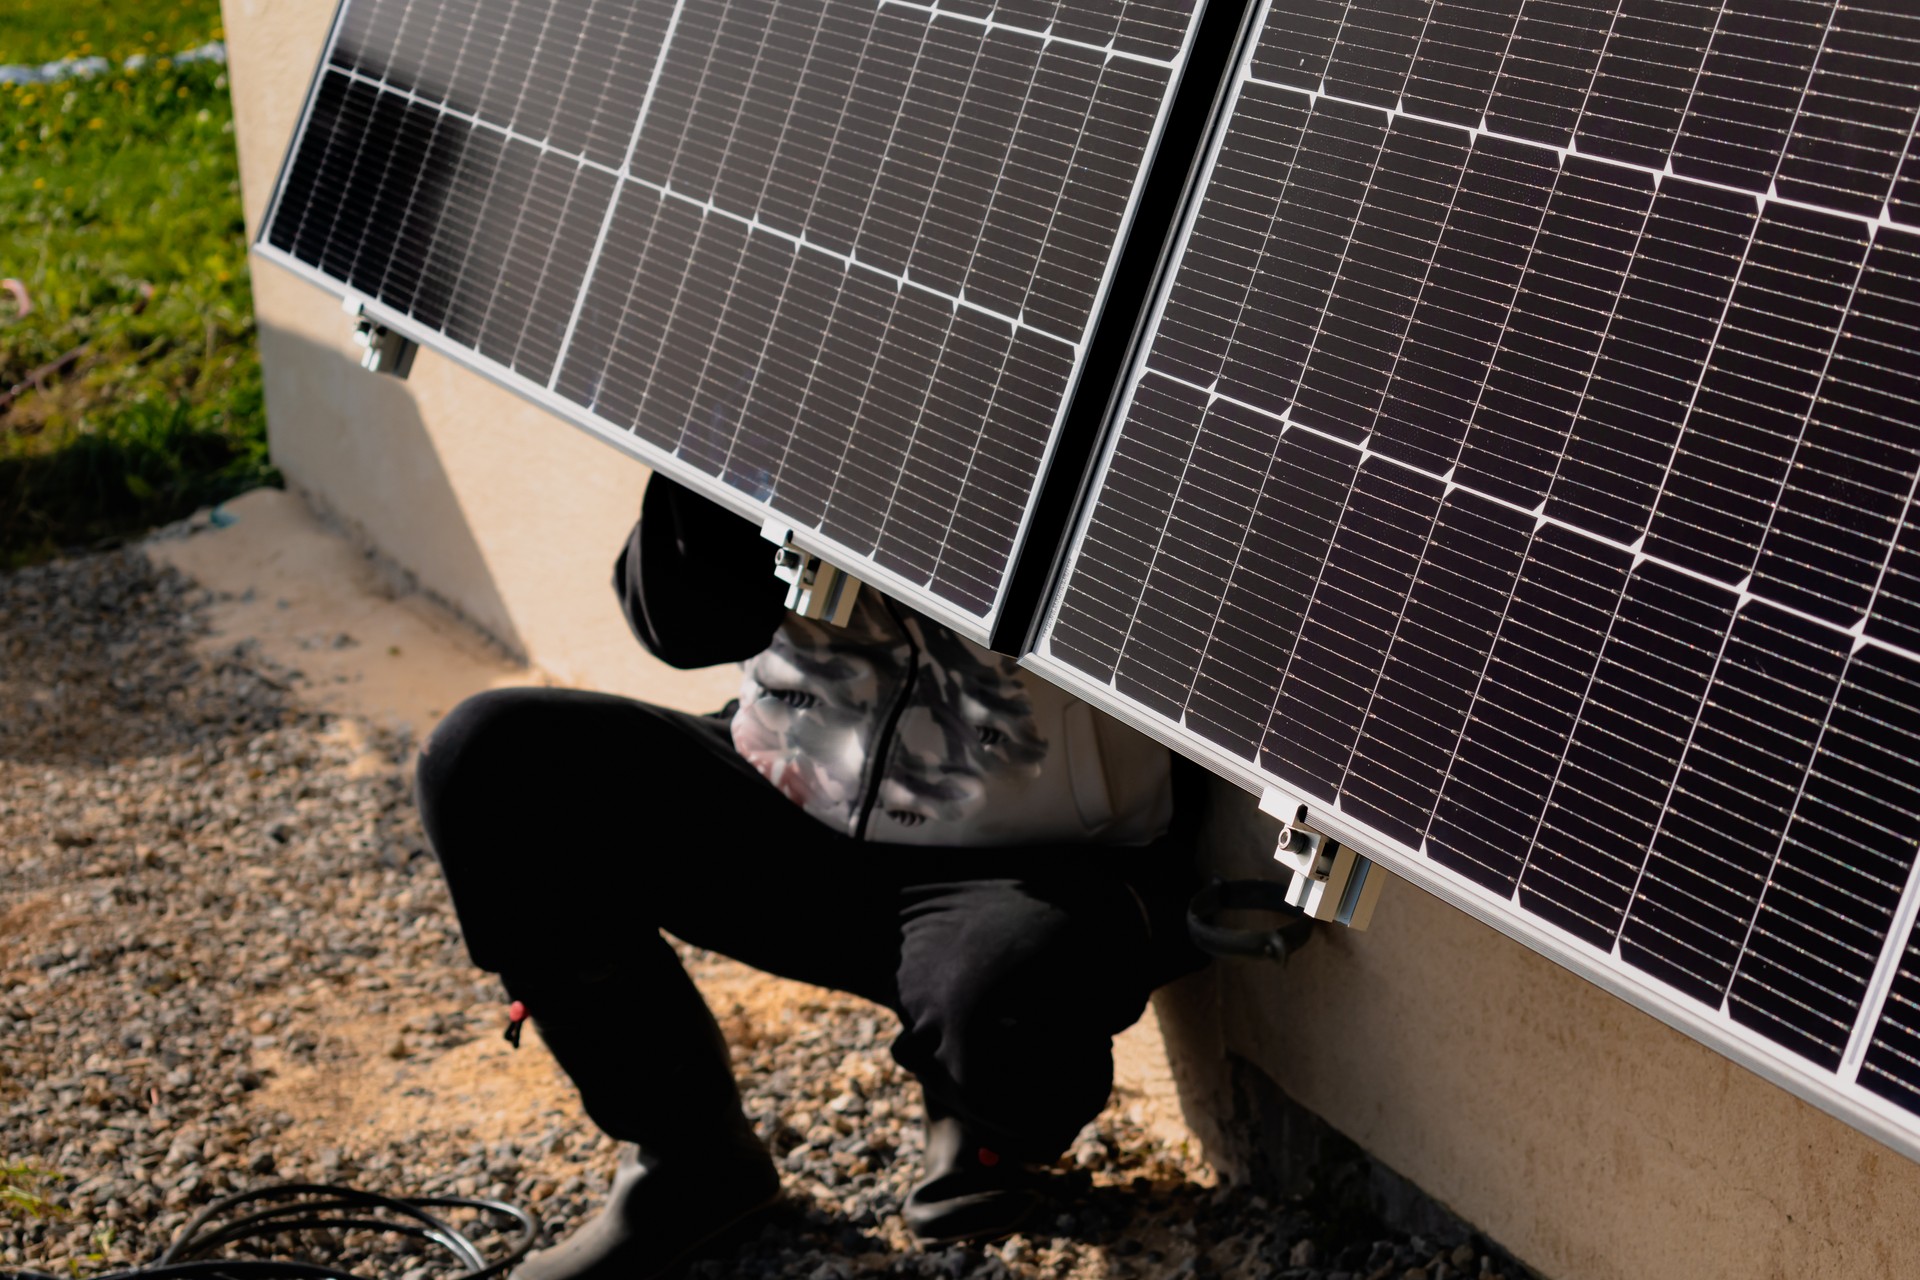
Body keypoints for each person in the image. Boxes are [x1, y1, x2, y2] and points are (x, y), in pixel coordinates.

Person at [414, 473, 1207, 1280]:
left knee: (1008, 1005)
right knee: (490, 760)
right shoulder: (801, 360)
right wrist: (717, 450)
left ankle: (979, 1111)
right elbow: (687, 628)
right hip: (792, 781)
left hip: (1027, 852)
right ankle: (690, 1161)